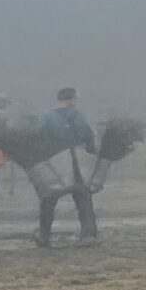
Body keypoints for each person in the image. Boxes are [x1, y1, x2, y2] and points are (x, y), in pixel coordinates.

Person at [35, 87, 99, 247]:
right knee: (83, 198)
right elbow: (88, 137)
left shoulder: (47, 118)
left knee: (48, 200)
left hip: (54, 163)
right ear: (71, 100)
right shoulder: (78, 117)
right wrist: (92, 153)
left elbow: (38, 138)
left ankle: (44, 236)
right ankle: (88, 234)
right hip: (75, 163)